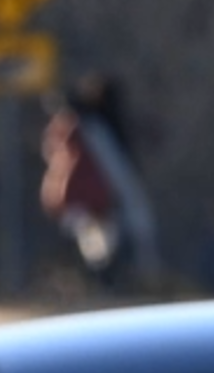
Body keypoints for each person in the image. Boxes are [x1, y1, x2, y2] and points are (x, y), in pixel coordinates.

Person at [39, 72, 159, 289]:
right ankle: (90, 281)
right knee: (96, 244)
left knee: (96, 244)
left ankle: (92, 281)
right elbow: (115, 171)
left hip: (82, 198)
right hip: (92, 198)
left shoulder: (78, 125)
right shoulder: (90, 128)